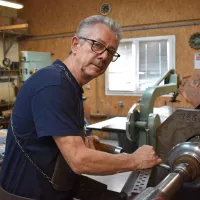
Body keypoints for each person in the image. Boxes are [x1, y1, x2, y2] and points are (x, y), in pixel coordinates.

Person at [0, 15, 162, 200]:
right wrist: (135, 160)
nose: (104, 56)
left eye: (111, 51)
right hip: (26, 195)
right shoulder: (53, 84)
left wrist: (80, 139)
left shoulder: (69, 85)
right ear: (75, 44)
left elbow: (53, 141)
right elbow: (79, 160)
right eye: (98, 45)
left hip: (53, 189)